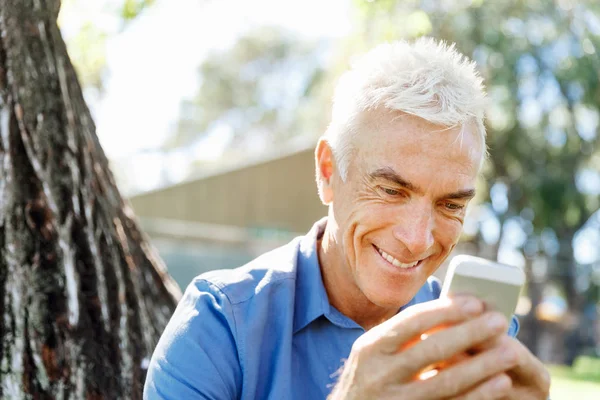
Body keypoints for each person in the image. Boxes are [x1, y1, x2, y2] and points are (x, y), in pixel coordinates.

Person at [143, 38, 551, 399]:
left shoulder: (474, 340)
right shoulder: (218, 326)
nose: (416, 239)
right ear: (327, 172)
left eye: (450, 205)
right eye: (392, 191)